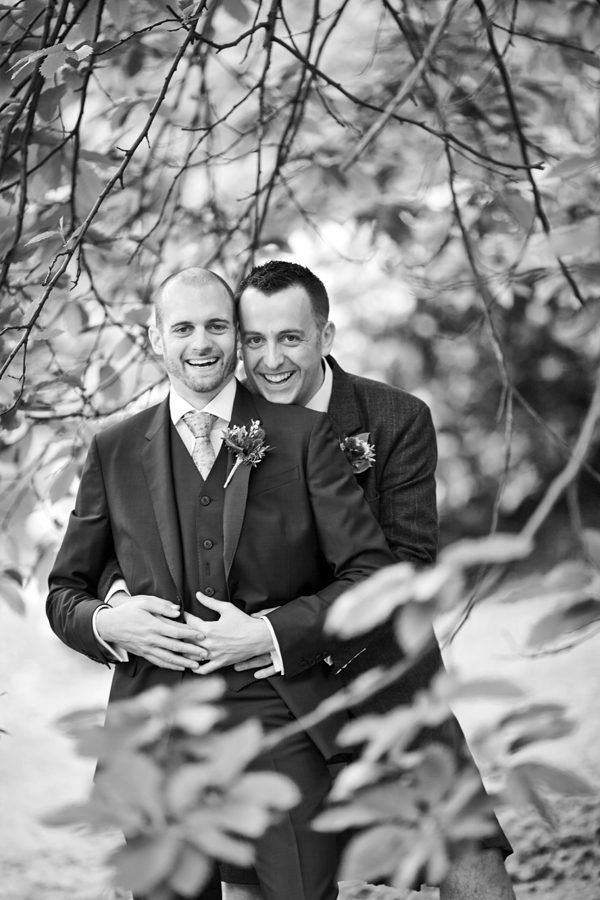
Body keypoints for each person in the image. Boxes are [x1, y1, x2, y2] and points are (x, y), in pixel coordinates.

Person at [100, 262, 516, 899]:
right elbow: (139, 533)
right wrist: (117, 597)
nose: (270, 360)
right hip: (262, 696)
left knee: (467, 851)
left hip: (375, 673)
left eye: (290, 338)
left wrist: (272, 632)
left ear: (326, 335)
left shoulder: (393, 417)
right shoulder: (213, 421)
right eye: (255, 339)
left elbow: (405, 567)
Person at [46, 267, 396, 900]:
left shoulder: (304, 436)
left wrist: (269, 633)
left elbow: (371, 575)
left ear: (236, 335)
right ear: (155, 338)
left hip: (280, 721)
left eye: (215, 325)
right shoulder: (114, 449)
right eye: (181, 327)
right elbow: (64, 590)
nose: (200, 343)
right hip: (156, 733)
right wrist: (107, 621)